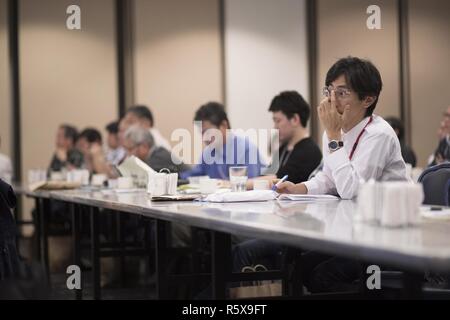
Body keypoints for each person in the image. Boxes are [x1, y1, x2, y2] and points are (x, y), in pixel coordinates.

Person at [235, 57, 410, 294]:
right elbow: (328, 179)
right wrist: (300, 188)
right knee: (299, 267)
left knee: (321, 276)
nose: (331, 100)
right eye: (329, 91)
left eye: (342, 93)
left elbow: (350, 190)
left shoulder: (378, 134)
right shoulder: (336, 131)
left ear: (367, 99)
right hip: (351, 231)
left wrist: (333, 136)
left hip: (385, 238)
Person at [180, 102, 265, 180]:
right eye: (202, 133)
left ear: (224, 125)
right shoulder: (208, 153)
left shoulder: (247, 150)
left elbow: (250, 186)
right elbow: (194, 174)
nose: (204, 138)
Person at [254, 91, 322, 185]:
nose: (275, 127)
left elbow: (277, 180)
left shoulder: (309, 150)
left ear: (295, 119)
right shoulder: (284, 148)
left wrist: (236, 183)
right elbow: (267, 175)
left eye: (278, 121)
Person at [122, 125, 189, 173]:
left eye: (130, 149)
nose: (128, 154)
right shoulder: (154, 155)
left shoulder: (158, 157)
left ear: (144, 146)